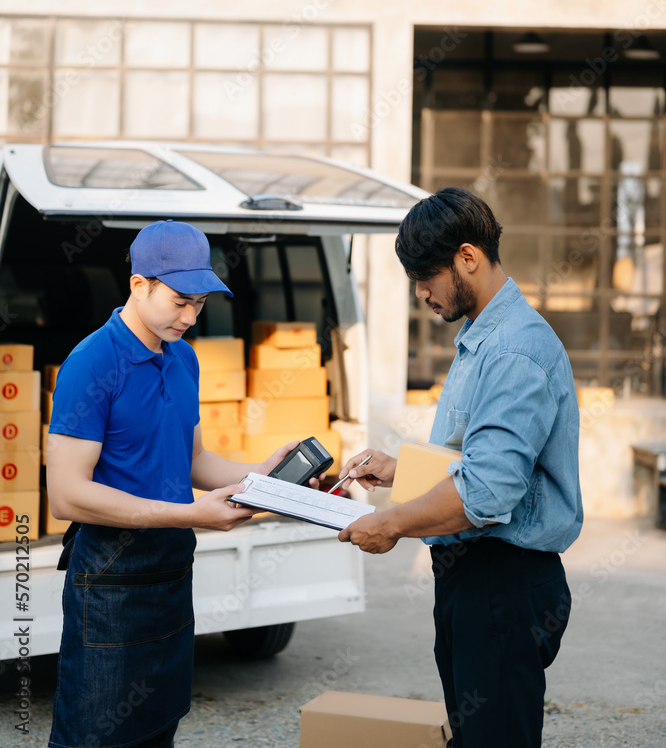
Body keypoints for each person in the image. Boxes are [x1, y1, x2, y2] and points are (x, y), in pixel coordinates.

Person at [46, 219, 319, 748]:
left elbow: (192, 460)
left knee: (156, 725)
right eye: (180, 301)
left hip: (172, 570)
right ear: (138, 285)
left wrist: (262, 475)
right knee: (96, 734)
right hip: (110, 579)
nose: (191, 317)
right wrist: (193, 513)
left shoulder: (185, 359)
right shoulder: (91, 363)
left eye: (200, 303)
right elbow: (66, 495)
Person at [336, 188, 583, 748]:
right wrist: (401, 470)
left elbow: (488, 491)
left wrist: (393, 522)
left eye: (427, 276)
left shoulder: (515, 350)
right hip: (474, 576)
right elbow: (474, 460)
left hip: (503, 579)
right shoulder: (483, 337)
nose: (421, 293)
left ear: (468, 258)